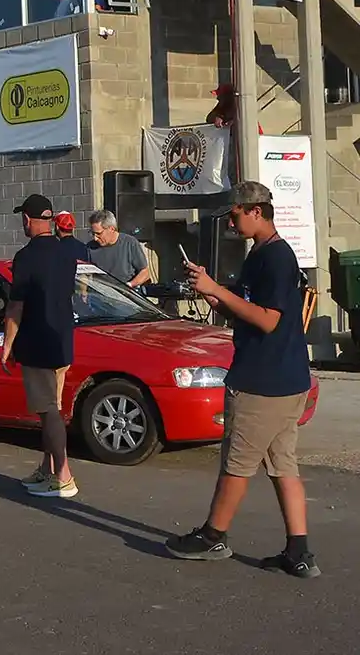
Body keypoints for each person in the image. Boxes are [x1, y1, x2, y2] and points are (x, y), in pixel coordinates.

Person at [166, 182, 319, 577]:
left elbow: (268, 319)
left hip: (263, 381)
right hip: (285, 378)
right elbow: (246, 308)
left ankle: (213, 536)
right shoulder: (259, 254)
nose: (231, 224)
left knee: (237, 463)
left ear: (256, 210)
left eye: (234, 215)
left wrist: (217, 289)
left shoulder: (277, 258)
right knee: (283, 466)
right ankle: (299, 552)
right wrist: (213, 292)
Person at [1, 195, 78, 498]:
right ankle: (47, 469)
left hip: (37, 344)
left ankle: (63, 476)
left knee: (48, 411)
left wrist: (7, 345)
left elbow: (16, 306)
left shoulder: (26, 257)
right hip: (61, 341)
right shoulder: (67, 253)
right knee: (52, 409)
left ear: (27, 219)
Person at [87, 210, 151, 289]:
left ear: (112, 229)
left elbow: (145, 272)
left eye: (98, 233)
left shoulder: (129, 243)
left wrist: (129, 285)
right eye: (93, 233)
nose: (95, 238)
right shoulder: (90, 247)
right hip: (101, 293)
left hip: (125, 292)